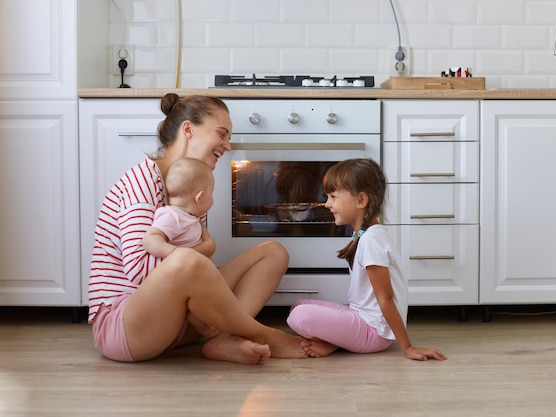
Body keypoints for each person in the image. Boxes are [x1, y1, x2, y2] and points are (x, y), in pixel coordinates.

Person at [88, 93, 308, 364]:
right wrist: (203, 249)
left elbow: (195, 271)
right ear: (188, 129)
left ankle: (224, 339)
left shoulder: (194, 187)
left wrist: (199, 263)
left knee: (272, 253)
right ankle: (263, 334)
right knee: (186, 261)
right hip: (126, 329)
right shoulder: (143, 181)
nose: (227, 146)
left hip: (175, 322)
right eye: (222, 134)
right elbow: (140, 272)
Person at [286, 158, 448, 361]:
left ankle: (336, 341)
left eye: (333, 196)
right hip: (364, 320)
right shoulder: (365, 234)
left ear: (361, 201)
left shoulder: (372, 240)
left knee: (300, 316)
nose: (327, 204)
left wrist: (407, 347)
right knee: (298, 306)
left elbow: (386, 298)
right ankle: (335, 340)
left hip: (374, 331)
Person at [142, 157, 214, 258]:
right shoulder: (173, 216)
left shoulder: (190, 217)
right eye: (211, 193)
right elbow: (149, 239)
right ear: (200, 197)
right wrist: (176, 255)